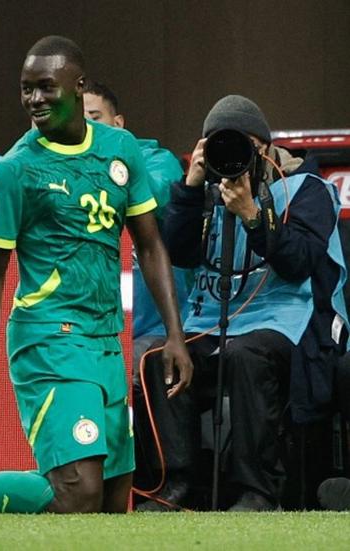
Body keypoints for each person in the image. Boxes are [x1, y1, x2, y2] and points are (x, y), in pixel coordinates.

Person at [0, 35, 192, 514]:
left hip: (107, 340)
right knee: (77, 492)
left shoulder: (120, 149)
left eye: (45, 87)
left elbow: (149, 245)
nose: (34, 99)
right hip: (49, 339)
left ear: (79, 86)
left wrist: (174, 335)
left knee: (112, 499)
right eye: (26, 89)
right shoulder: (15, 171)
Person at [137, 95, 349, 511]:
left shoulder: (308, 189)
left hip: (283, 320)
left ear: (266, 149)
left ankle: (257, 491)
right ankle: (177, 483)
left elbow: (300, 261)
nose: (231, 154)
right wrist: (191, 187)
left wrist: (254, 215)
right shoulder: (206, 190)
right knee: (157, 355)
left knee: (246, 354)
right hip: (211, 319)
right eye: (217, 144)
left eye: (242, 144)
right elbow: (179, 254)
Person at [82, 80, 193, 371]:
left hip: (153, 330)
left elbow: (151, 197)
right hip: (90, 330)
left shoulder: (158, 160)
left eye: (95, 118)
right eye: (78, 121)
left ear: (118, 123)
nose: (86, 129)